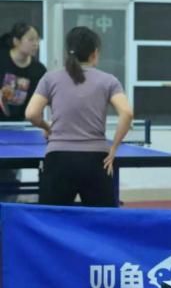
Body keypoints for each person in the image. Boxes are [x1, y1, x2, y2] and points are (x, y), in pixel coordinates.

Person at [25, 26, 133, 207]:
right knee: (101, 219)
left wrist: (48, 127)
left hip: (58, 159)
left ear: (67, 52)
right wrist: (113, 148)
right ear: (94, 53)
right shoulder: (109, 81)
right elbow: (127, 113)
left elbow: (31, 114)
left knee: (53, 218)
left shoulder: (50, 79)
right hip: (96, 160)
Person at [0, 22, 47, 201]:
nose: (36, 43)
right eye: (31, 39)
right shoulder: (2, 59)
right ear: (16, 41)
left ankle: (9, 208)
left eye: (37, 40)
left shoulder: (39, 70)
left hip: (20, 128)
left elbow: (41, 102)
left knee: (10, 174)